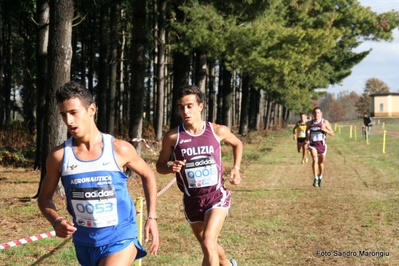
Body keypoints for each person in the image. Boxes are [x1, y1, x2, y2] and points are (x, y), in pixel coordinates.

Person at [37, 81, 159, 266]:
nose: (68, 121)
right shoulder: (59, 156)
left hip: (121, 237)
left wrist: (152, 217)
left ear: (92, 109)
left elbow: (148, 175)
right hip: (85, 242)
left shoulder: (119, 149)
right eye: (63, 114)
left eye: (73, 113)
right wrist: (56, 221)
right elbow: (44, 198)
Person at [156, 85, 243, 266]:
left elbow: (237, 144)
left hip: (216, 196)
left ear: (200, 106)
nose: (185, 111)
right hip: (192, 200)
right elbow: (160, 166)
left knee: (208, 242)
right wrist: (171, 167)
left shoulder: (216, 131)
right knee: (209, 246)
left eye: (189, 106)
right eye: (181, 107)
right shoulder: (173, 137)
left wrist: (236, 168)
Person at [305, 107, 334, 187]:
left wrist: (325, 130)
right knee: (315, 159)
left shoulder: (324, 122)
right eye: (315, 113)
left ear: (321, 114)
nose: (316, 114)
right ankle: (315, 178)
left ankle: (320, 176)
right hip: (313, 145)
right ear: (313, 114)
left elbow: (332, 133)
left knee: (321, 163)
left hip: (322, 145)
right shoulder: (309, 123)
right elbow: (306, 132)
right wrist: (307, 139)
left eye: (318, 113)